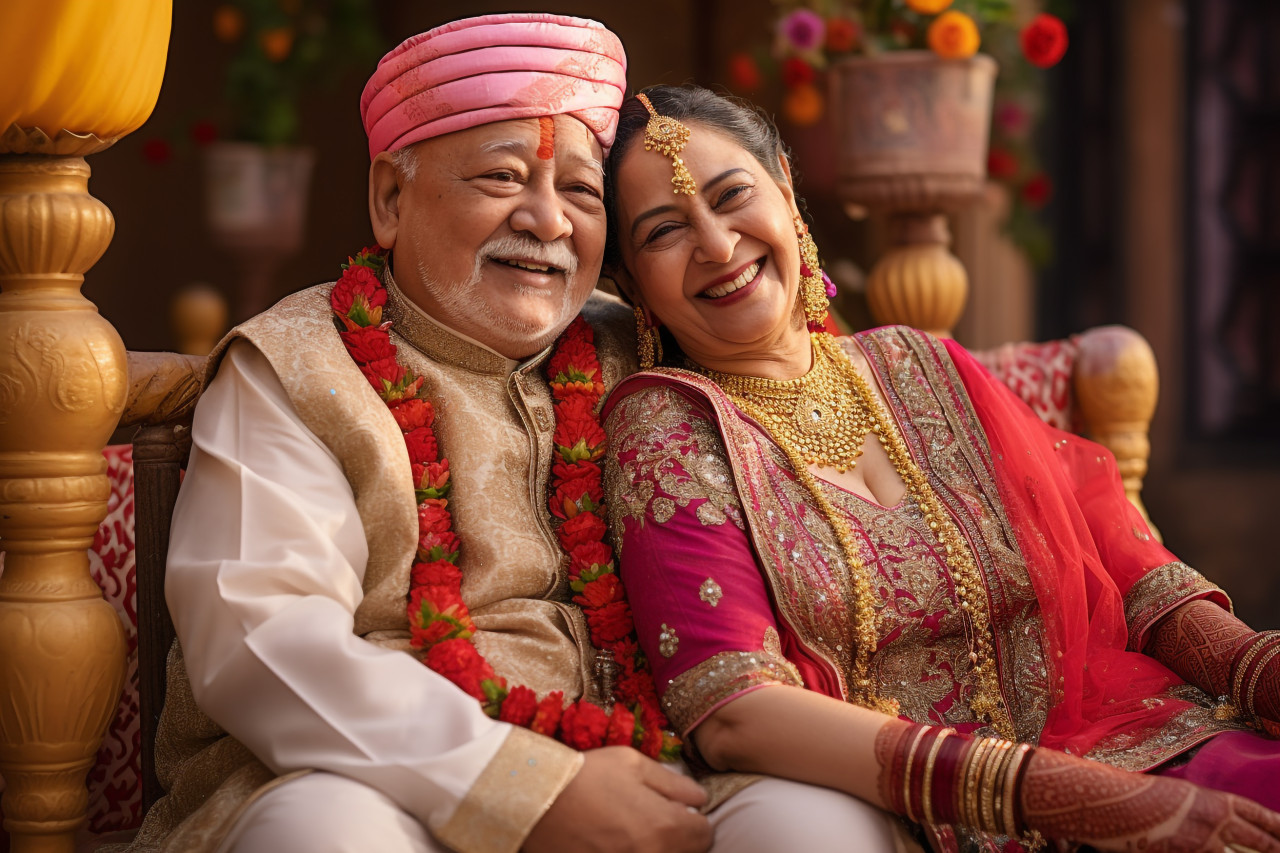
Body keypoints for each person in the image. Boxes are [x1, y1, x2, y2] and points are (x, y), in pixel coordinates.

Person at [600, 84, 1280, 853]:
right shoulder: (667, 426)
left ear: (786, 189)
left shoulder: (919, 362)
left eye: (733, 196)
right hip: (920, 813)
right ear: (629, 284)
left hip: (1137, 745)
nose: (718, 246)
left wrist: (1255, 667)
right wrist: (1071, 798)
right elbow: (733, 710)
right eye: (664, 232)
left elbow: (1124, 563)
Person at [118, 16, 718, 853]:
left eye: (581, 192)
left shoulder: (642, 349)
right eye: (503, 176)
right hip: (367, 783)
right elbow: (262, 640)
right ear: (391, 199)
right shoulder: (296, 361)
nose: (547, 221)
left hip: (649, 767)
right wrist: (521, 786)